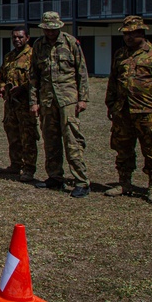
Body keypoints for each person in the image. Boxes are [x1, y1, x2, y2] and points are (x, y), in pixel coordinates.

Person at [103, 16, 152, 204]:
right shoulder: (120, 54)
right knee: (123, 148)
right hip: (123, 111)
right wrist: (110, 104)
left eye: (132, 34)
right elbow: (113, 80)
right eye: (125, 34)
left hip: (148, 110)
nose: (128, 37)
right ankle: (124, 182)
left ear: (142, 33)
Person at [29, 11, 91, 198]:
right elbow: (34, 76)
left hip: (67, 100)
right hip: (47, 100)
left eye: (52, 29)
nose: (49, 32)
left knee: (72, 140)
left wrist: (83, 98)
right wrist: (34, 101)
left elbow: (82, 71)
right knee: (50, 140)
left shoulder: (71, 43)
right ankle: (55, 177)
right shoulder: (38, 46)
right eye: (46, 29)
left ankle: (81, 181)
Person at [0, 26, 39, 181]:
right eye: (14, 37)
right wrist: (2, 88)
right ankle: (15, 164)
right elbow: (2, 77)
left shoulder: (33, 55)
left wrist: (23, 89)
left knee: (28, 137)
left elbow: (38, 80)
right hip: (11, 105)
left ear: (27, 38)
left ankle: (29, 169)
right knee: (13, 135)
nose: (17, 40)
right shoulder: (9, 57)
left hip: (26, 104)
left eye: (20, 37)